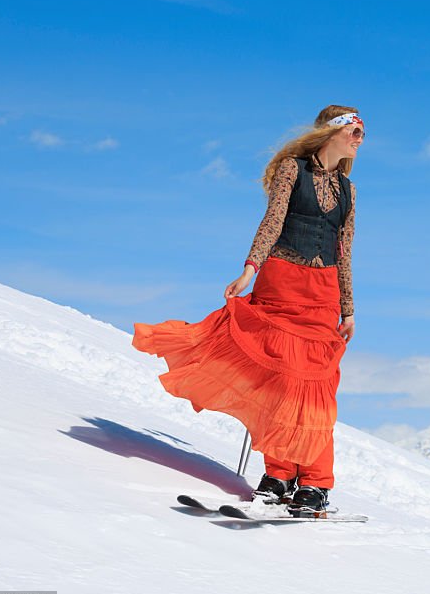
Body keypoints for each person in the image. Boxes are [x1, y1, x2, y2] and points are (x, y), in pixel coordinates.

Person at [132, 105, 362, 514]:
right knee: (281, 384)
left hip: (322, 294)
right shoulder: (294, 170)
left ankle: (315, 482)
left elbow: (345, 251)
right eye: (354, 131)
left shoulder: (349, 189)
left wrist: (348, 308)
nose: (360, 140)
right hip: (280, 284)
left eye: (362, 134)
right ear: (331, 133)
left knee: (317, 390)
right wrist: (249, 270)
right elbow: (272, 222)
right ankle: (278, 475)